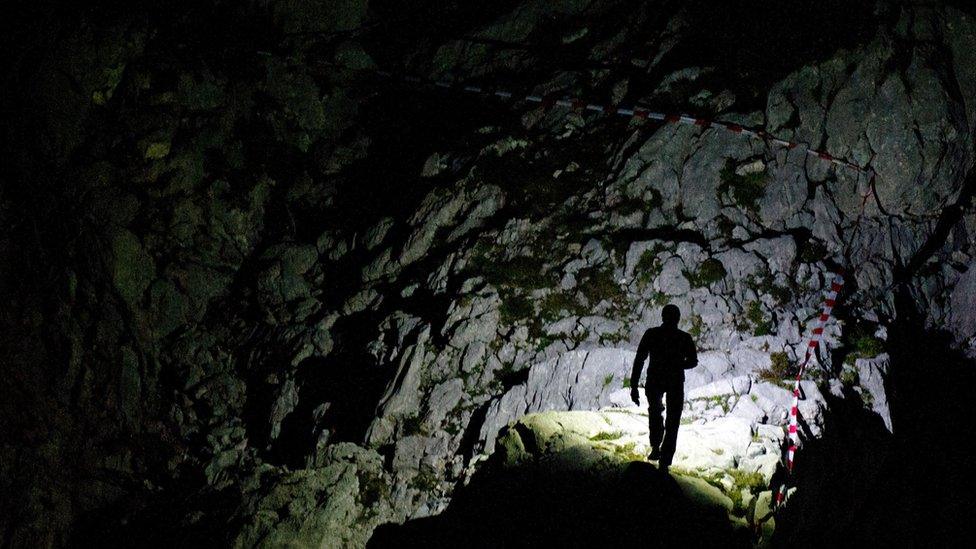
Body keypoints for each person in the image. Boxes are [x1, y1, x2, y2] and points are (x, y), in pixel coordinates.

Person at [630, 304, 698, 472]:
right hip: (675, 381)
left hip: (655, 379)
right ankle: (665, 460)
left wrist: (634, 385)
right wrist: (678, 364)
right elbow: (693, 361)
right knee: (673, 420)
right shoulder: (684, 338)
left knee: (655, 412)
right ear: (678, 319)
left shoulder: (652, 334)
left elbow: (640, 359)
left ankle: (655, 447)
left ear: (662, 316)